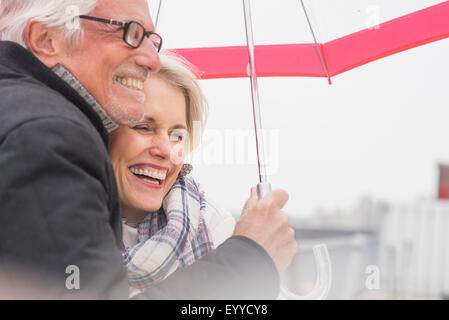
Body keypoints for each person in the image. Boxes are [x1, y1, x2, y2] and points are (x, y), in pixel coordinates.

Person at [0, 0, 298, 299]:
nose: (151, 58)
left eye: (178, 134)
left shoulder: (212, 223)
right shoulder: (48, 135)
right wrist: (248, 262)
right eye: (130, 32)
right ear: (46, 39)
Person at [110, 53, 236, 294]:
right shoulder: (58, 222)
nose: (167, 151)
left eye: (177, 135)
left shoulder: (215, 224)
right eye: (143, 127)